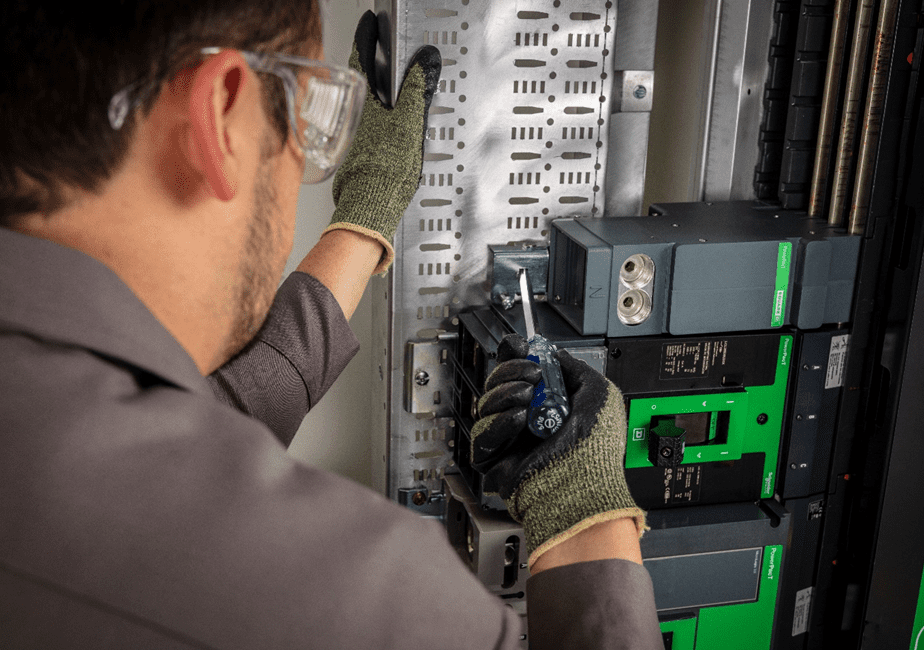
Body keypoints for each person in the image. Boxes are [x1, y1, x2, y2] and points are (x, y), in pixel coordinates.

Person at [0, 2, 663, 648]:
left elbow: (158, 450)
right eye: (303, 124)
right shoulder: (360, 604)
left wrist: (364, 222)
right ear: (221, 112)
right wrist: (585, 521)